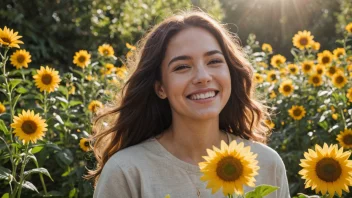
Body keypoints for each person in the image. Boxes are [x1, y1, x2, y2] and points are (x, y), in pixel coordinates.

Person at [86, 10, 290, 198]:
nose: (203, 77)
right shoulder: (127, 172)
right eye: (182, 67)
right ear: (160, 88)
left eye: (214, 61)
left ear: (230, 72)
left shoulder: (267, 165)